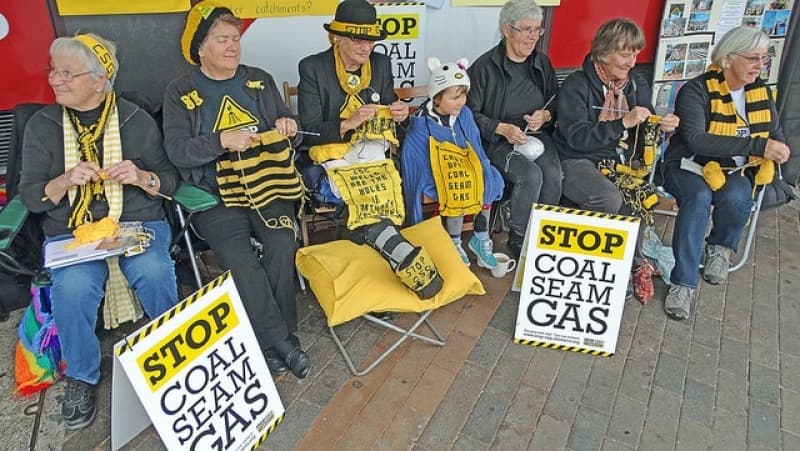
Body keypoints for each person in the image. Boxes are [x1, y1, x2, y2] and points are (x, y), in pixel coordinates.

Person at [19, 33, 179, 430]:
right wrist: (65, 180)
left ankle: (174, 359)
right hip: (71, 230)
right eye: (54, 71)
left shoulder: (134, 119)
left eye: (67, 73)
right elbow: (32, 197)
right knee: (73, 288)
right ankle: (82, 375)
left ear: (99, 80)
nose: (56, 79)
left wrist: (143, 177)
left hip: (137, 220)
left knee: (154, 271)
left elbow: (170, 181)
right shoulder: (42, 126)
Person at [162, 2, 310, 378]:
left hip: (265, 184)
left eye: (235, 38)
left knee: (280, 243)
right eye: (222, 39)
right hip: (215, 195)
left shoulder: (258, 79)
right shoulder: (179, 91)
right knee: (238, 256)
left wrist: (287, 125)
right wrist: (220, 140)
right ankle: (282, 341)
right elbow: (177, 152)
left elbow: (286, 128)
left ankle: (274, 340)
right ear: (201, 47)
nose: (233, 46)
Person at [297, 0, 443, 299]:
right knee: (361, 198)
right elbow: (308, 130)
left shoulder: (380, 63)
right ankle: (397, 258)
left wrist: (399, 114)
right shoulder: (313, 67)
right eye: (358, 39)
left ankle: (378, 278)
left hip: (373, 152)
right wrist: (348, 122)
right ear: (336, 37)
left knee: (386, 187)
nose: (366, 47)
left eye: (371, 40)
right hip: (332, 155)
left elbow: (389, 108)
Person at [661, 26, 790, 320]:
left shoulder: (761, 92)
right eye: (753, 58)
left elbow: (776, 133)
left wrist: (780, 148)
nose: (761, 65)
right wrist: (758, 144)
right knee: (698, 196)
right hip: (688, 164)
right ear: (729, 59)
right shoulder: (696, 90)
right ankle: (683, 282)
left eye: (764, 58)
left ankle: (719, 246)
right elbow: (696, 139)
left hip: (734, 168)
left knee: (739, 193)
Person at [552, 18, 680, 302]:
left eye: (635, 54)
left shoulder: (635, 84)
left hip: (617, 159)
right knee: (608, 198)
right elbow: (577, 138)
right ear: (603, 52)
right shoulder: (576, 84)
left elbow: (647, 121)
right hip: (576, 158)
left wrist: (662, 123)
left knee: (637, 193)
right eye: (625, 54)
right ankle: (596, 269)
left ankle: (626, 265)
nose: (632, 62)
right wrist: (623, 122)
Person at [467, 0, 561, 259]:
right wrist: (501, 128)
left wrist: (545, 116)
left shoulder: (541, 63)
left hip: (535, 135)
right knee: (530, 176)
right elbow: (469, 114)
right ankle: (518, 238)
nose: (533, 37)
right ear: (507, 30)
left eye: (537, 30)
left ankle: (545, 234)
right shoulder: (485, 67)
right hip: (498, 140)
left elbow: (555, 102)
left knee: (553, 174)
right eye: (527, 30)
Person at [401, 57, 504, 268]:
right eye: (454, 97)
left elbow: (475, 147)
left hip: (466, 165)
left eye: (464, 95)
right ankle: (454, 241)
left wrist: (479, 167)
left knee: (488, 178)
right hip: (435, 171)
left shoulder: (464, 114)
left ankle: (480, 238)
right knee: (455, 185)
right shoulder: (422, 121)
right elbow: (413, 157)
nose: (461, 101)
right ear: (437, 98)